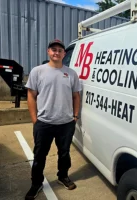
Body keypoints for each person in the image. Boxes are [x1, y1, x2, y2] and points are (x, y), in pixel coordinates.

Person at [25, 39, 81, 200]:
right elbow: (31, 95)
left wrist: (75, 116)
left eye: (60, 50)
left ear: (64, 54)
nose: (57, 52)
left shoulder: (71, 73)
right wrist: (35, 119)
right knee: (39, 156)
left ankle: (63, 176)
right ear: (48, 52)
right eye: (53, 49)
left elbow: (76, 96)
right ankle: (36, 183)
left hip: (66, 123)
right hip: (44, 123)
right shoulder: (38, 71)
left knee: (64, 154)